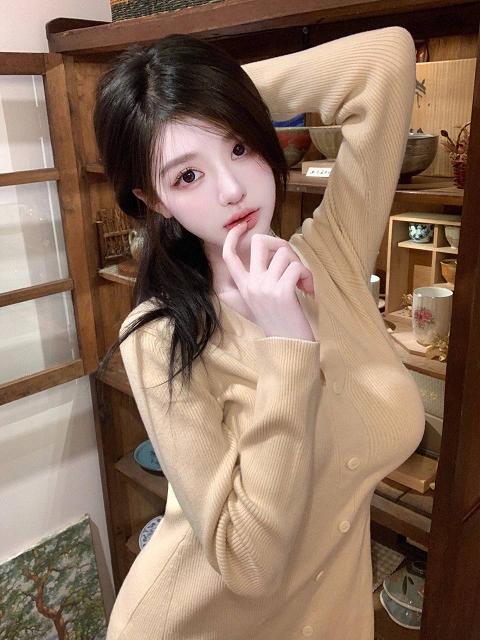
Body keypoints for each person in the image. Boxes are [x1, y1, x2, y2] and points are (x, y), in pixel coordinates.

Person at [94, 26, 426, 640]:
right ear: (155, 200)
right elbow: (247, 562)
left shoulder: (333, 255)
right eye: (186, 176)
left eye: (240, 145)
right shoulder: (158, 336)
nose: (232, 188)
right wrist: (287, 347)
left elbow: (384, 60)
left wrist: (208, 92)